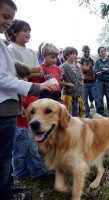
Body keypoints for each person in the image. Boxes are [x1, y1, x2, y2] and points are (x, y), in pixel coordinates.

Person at [0, 1, 57, 199]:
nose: (28, 34)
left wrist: (34, 75)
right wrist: (33, 77)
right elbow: (14, 76)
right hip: (16, 100)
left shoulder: (28, 51)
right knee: (19, 145)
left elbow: (36, 72)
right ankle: (24, 175)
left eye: (10, 18)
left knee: (21, 144)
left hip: (27, 97)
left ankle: (18, 177)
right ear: (15, 33)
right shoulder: (10, 49)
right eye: (5, 16)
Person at [13, 62, 54, 182]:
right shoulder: (15, 91)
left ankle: (37, 172)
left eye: (26, 77)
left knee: (33, 150)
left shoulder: (27, 89)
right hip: (19, 127)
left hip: (28, 127)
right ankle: (21, 173)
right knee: (20, 153)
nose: (25, 80)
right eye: (21, 77)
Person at [6, 19, 43, 84]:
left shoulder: (31, 51)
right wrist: (34, 71)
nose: (28, 34)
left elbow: (40, 72)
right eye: (25, 31)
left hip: (35, 88)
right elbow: (17, 74)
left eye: (29, 31)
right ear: (14, 32)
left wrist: (27, 73)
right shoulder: (10, 49)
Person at [60, 46, 85, 117]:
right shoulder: (62, 67)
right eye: (73, 54)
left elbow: (81, 78)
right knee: (68, 114)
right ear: (67, 55)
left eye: (76, 54)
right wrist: (68, 84)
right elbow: (59, 81)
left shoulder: (77, 67)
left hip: (77, 95)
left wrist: (81, 85)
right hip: (67, 95)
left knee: (76, 113)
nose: (75, 56)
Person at [94, 46, 109, 117]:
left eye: (104, 51)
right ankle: (100, 113)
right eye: (101, 52)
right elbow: (95, 71)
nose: (103, 52)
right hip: (99, 82)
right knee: (100, 98)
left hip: (108, 82)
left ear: (105, 51)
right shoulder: (97, 61)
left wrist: (103, 72)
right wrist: (102, 69)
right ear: (99, 54)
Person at [80, 45, 101, 117]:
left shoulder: (92, 60)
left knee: (96, 98)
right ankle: (87, 113)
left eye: (88, 51)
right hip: (84, 82)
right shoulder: (80, 60)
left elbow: (94, 71)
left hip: (92, 82)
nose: (87, 52)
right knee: (84, 100)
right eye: (85, 51)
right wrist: (88, 68)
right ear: (83, 52)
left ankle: (99, 112)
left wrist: (86, 69)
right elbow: (80, 68)